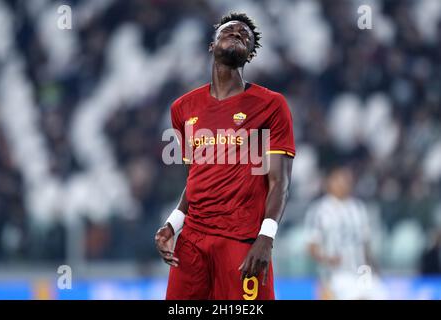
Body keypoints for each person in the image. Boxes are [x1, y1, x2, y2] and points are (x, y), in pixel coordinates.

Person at [154, 12, 295, 300]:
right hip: (192, 242)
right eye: (230, 30)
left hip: (241, 241)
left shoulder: (271, 105)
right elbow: (197, 177)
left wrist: (266, 237)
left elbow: (279, 181)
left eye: (246, 36)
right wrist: (173, 224)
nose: (238, 34)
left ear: (249, 56)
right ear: (212, 44)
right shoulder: (182, 108)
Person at [305, 166, 385, 299]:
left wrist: (374, 269)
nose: (344, 183)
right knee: (354, 296)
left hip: (361, 271)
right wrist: (327, 258)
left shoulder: (358, 208)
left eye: (346, 179)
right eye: (339, 179)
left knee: (379, 294)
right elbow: (311, 246)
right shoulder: (319, 210)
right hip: (336, 273)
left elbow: (365, 245)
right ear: (329, 182)